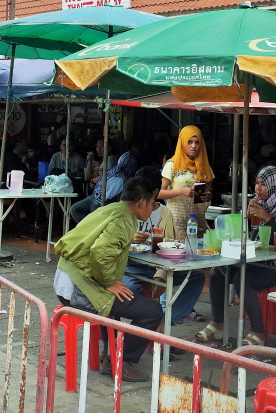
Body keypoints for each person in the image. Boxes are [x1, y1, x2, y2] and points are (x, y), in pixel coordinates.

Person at [53, 175, 164, 382]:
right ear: (141, 202)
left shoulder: (110, 209)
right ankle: (121, 362)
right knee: (153, 311)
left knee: (118, 301)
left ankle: (109, 353)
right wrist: (107, 283)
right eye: (152, 203)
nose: (153, 208)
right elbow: (100, 252)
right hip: (78, 290)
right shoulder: (125, 221)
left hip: (65, 279)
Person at [196, 166, 276, 347]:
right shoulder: (262, 205)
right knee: (218, 271)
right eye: (257, 183)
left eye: (263, 184)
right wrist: (245, 218)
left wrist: (268, 218)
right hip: (257, 260)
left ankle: (259, 332)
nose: (258, 188)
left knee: (241, 278)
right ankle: (217, 323)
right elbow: (249, 238)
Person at [122, 166, 206, 329]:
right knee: (131, 289)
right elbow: (111, 245)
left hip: (157, 265)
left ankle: (167, 319)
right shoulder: (126, 209)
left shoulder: (164, 213)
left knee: (196, 277)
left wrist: (160, 275)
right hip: (131, 265)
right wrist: (129, 239)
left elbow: (172, 246)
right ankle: (152, 323)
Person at [160, 125, 214, 239]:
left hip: (198, 221)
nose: (193, 146)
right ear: (182, 142)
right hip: (177, 221)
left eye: (197, 142)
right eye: (189, 142)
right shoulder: (172, 165)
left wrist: (208, 196)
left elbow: (209, 191)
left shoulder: (205, 166)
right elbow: (159, 193)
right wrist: (180, 192)